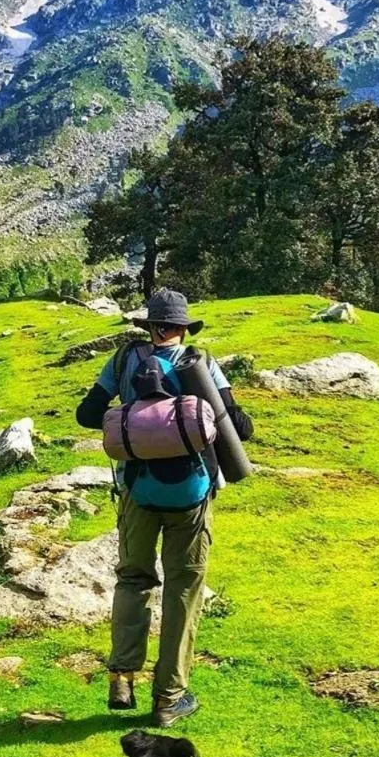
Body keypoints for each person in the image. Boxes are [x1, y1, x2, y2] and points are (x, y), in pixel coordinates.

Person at [76, 287, 254, 728]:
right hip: (191, 496)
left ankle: (121, 676)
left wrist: (136, 418)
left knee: (133, 579)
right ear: (183, 327)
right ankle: (169, 698)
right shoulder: (201, 363)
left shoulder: (122, 360)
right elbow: (242, 428)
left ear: (149, 327)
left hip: (137, 489)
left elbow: (86, 414)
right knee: (182, 589)